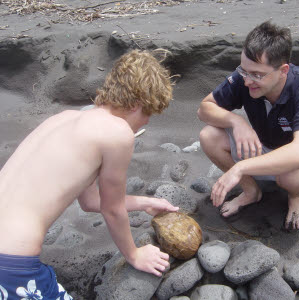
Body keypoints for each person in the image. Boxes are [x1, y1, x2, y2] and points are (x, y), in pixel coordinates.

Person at [0, 49, 179, 299]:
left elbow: (91, 201)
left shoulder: (64, 119)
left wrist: (146, 202)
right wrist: (134, 254)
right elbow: (112, 209)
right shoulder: (118, 133)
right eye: (148, 112)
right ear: (138, 104)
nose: (147, 121)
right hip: (9, 264)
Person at [198, 21, 299, 230]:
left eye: (257, 75)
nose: (248, 80)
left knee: (288, 174)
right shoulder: (245, 76)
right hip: (266, 143)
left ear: (283, 70)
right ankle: (251, 192)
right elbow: (204, 108)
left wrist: (240, 168)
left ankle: (297, 195)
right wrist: (236, 121)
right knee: (209, 136)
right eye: (244, 71)